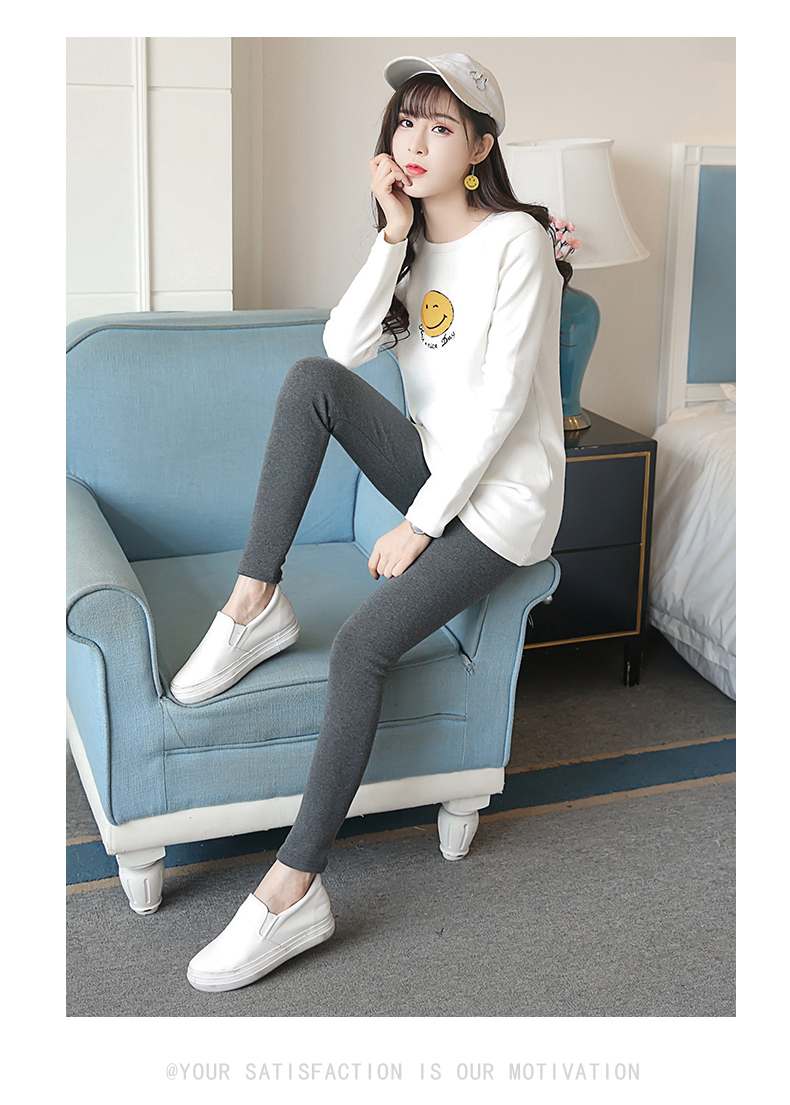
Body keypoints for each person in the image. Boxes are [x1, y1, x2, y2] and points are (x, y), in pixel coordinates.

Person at [176, 52, 572, 993]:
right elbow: (342, 346)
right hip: (441, 475)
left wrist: (422, 526)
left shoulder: (518, 242)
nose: (417, 140)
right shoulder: (415, 246)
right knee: (311, 382)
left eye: (442, 125)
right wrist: (392, 234)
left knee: (360, 647)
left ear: (481, 147)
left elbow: (500, 408)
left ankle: (293, 890)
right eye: (406, 121)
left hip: (502, 503)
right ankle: (254, 601)